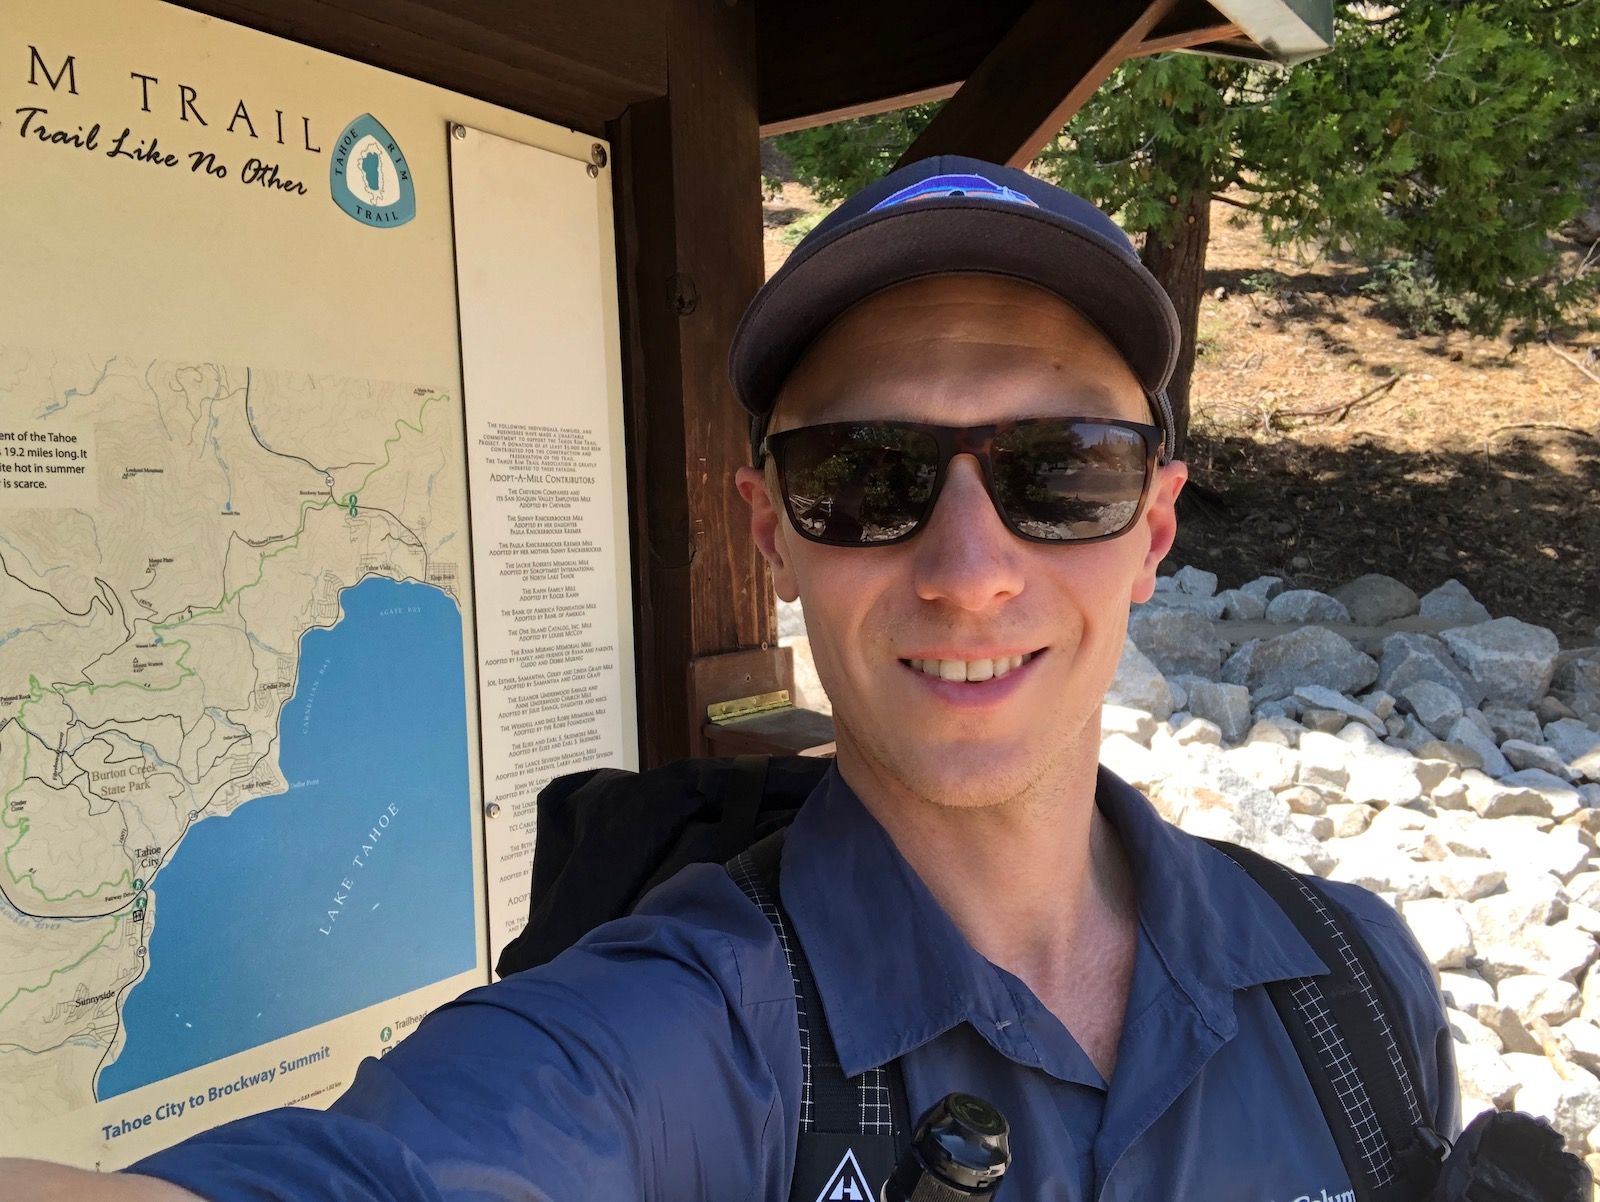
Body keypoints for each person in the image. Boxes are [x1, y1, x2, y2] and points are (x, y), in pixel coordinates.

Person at [0, 156, 1458, 1202]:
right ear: (773, 535)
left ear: (1151, 524)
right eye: (865, 477)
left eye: (1058, 472)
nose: (966, 566)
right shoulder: (689, 1027)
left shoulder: (1356, 987)